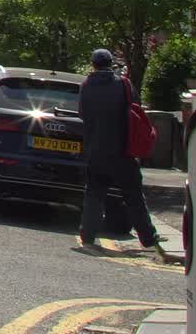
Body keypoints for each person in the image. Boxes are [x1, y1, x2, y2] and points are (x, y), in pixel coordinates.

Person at [77, 47, 161, 251]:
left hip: (97, 150)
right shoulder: (123, 83)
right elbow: (136, 108)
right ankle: (148, 238)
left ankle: (88, 235)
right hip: (123, 150)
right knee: (133, 195)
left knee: (94, 195)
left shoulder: (86, 85)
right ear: (111, 63)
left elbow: (82, 114)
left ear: (93, 64)